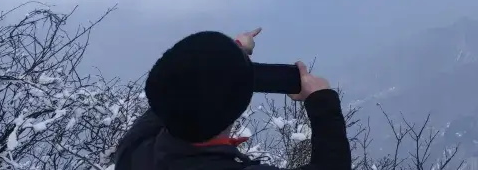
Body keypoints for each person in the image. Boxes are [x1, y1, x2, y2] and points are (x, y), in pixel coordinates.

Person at [114, 27, 351, 170]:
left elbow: (183, 85)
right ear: (238, 107)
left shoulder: (133, 151)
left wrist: (236, 54)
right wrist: (322, 101)